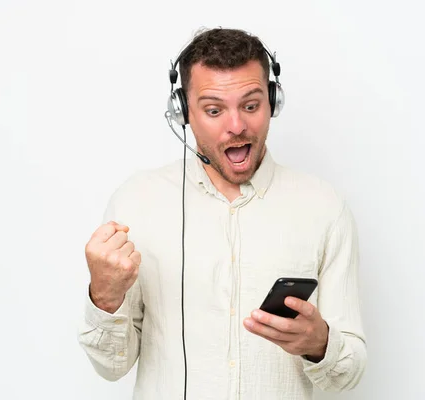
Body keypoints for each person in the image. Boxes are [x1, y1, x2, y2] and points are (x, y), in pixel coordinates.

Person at [77, 27, 367, 399]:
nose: (237, 126)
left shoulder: (325, 208)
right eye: (214, 110)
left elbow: (349, 373)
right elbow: (111, 366)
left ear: (273, 102)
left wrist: (319, 343)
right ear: (183, 113)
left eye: (251, 105)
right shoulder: (136, 203)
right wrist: (104, 295)